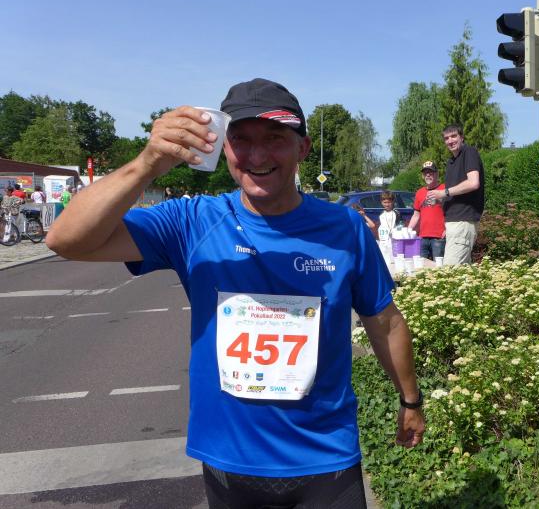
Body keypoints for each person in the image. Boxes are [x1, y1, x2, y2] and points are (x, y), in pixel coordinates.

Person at [45, 78, 424, 508]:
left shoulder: (344, 228)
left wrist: (410, 400)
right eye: (241, 139)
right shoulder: (192, 221)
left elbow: (384, 321)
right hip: (229, 460)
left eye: (275, 139)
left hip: (326, 459)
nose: (257, 156)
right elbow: (66, 239)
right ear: (223, 147)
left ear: (302, 148)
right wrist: (147, 163)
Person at [426, 124, 484, 265]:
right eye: (446, 138)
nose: (450, 141)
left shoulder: (469, 152)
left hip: (463, 222)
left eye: (453, 136)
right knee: (463, 273)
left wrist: (443, 192)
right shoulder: (451, 162)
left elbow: (473, 183)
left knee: (450, 271)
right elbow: (456, 194)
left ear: (461, 137)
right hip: (453, 224)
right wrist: (441, 200)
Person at [407, 161, 445, 260]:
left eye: (430, 172)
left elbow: (452, 211)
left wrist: (448, 229)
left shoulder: (444, 189)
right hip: (423, 237)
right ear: (423, 176)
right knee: (421, 265)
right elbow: (416, 215)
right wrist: (407, 230)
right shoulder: (419, 193)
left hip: (439, 237)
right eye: (425, 173)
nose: (428, 175)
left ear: (437, 174)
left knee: (438, 266)